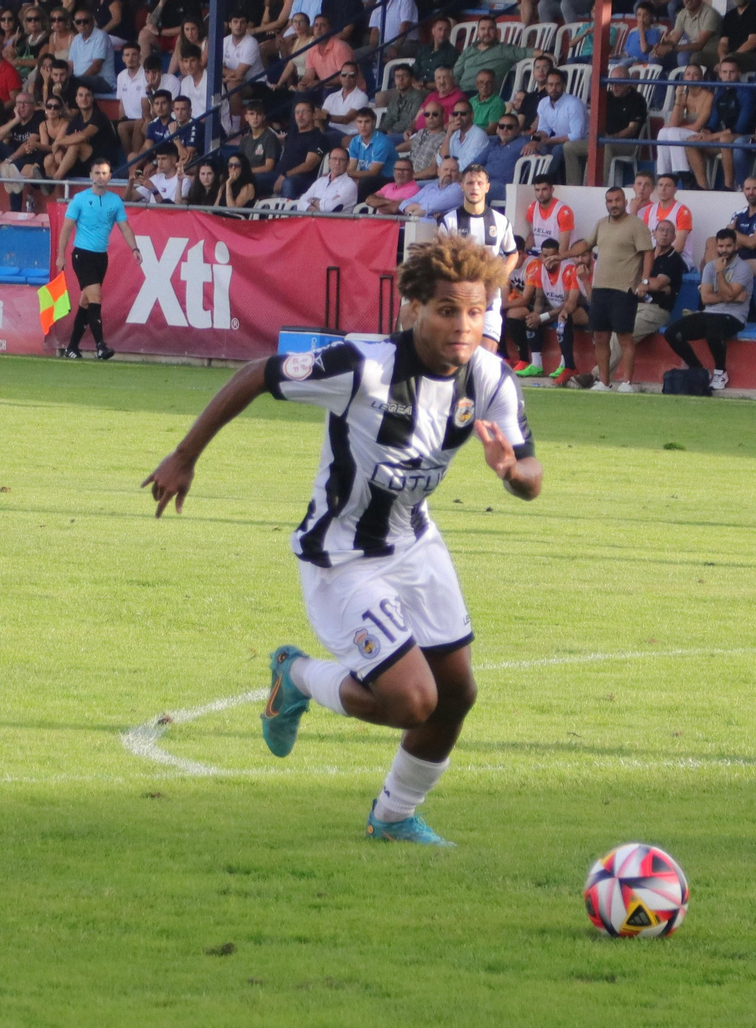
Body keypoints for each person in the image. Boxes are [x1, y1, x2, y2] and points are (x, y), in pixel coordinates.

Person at [141, 233, 541, 849]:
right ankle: (296, 676)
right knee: (412, 701)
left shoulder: (489, 378)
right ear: (414, 308)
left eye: (476, 310)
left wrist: (513, 473)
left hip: (415, 544)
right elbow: (257, 373)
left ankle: (393, 818)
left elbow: (532, 477)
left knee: (457, 693)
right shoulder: (362, 365)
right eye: (447, 310)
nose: (464, 325)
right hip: (342, 556)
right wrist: (185, 455)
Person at [562, 186, 655, 392]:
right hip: (600, 288)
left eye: (617, 200)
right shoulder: (601, 224)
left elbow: (648, 253)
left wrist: (645, 282)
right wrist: (562, 255)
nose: (614, 204)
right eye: (610, 201)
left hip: (624, 289)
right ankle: (604, 382)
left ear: (624, 201)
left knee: (624, 337)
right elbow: (586, 244)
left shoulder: (636, 225)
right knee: (601, 337)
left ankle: (627, 383)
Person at [55, 158, 141, 361]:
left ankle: (72, 347)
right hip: (82, 254)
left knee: (86, 302)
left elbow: (125, 228)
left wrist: (134, 248)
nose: (100, 177)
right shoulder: (79, 199)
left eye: (104, 173)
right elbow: (66, 228)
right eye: (97, 173)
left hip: (100, 257)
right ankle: (100, 346)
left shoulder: (115, 201)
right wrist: (61, 255)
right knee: (96, 298)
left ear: (110, 176)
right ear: (90, 176)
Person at [437, 163, 520, 358]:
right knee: (460, 358)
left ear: (487, 187)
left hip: (490, 299)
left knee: (485, 357)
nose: (475, 187)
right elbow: (439, 260)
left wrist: (498, 278)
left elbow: (513, 253)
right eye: (470, 182)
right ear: (462, 186)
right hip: (459, 301)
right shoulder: (449, 221)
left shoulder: (500, 221)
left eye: (479, 183)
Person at [664, 228, 752, 392]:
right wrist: (730, 297)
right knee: (672, 333)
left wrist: (720, 273)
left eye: (728, 246)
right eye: (721, 246)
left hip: (734, 317)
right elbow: (706, 298)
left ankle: (720, 372)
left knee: (714, 327)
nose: (724, 250)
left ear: (735, 246)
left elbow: (730, 292)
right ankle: (698, 370)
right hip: (709, 312)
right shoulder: (710, 267)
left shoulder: (743, 268)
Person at [607, 219, 688, 372]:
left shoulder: (674, 259)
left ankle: (597, 376)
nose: (664, 234)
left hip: (656, 310)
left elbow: (657, 284)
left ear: (674, 237)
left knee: (623, 333)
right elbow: (625, 276)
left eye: (669, 231)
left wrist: (641, 282)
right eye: (661, 230)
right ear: (654, 233)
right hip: (634, 305)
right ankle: (602, 377)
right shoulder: (645, 255)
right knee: (609, 329)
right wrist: (644, 283)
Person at [516, 237, 588, 384]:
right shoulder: (540, 270)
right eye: (544, 256)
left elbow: (569, 304)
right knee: (531, 317)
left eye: (552, 256)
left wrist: (542, 317)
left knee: (565, 318)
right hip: (554, 309)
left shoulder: (568, 270)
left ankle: (564, 365)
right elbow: (539, 299)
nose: (548, 260)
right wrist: (536, 314)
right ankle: (536, 364)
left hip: (575, 309)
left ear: (558, 255)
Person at [656, 64, 714, 186]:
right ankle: (664, 175)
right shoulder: (684, 95)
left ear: (701, 78)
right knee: (663, 132)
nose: (691, 77)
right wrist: (678, 101)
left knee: (672, 132)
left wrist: (675, 128)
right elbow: (673, 123)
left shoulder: (708, 96)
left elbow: (697, 126)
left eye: (695, 74)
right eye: (688, 74)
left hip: (700, 133)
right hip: (684, 133)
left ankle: (684, 175)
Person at [526, 69, 588, 184]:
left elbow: (576, 135)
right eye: (550, 84)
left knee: (557, 149)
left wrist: (549, 140)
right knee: (529, 147)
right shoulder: (543, 103)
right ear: (546, 86)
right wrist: (534, 141)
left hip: (580, 142)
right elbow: (544, 129)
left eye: (557, 84)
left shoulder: (573, 104)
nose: (554, 88)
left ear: (564, 86)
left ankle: (545, 181)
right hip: (558, 141)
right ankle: (528, 183)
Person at [452, 15, 533, 92]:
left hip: (484, 94)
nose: (486, 32)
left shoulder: (504, 49)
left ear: (496, 31)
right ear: (478, 32)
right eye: (483, 29)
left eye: (490, 28)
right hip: (462, 93)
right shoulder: (469, 50)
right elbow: (455, 74)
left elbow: (527, 52)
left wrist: (544, 53)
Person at [602, 65, 649, 185]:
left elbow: (632, 129)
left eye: (619, 84)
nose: (614, 87)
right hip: (604, 139)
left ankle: (598, 187)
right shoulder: (606, 97)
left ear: (628, 83)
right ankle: (575, 186)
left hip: (628, 143)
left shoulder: (637, 99)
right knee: (569, 148)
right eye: (612, 83)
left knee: (604, 146)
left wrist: (612, 138)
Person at [273, 99, 329, 198]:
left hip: (302, 179)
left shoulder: (319, 137)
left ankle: (287, 214)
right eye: (297, 112)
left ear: (313, 115)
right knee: (252, 179)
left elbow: (309, 165)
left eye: (304, 112)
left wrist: (285, 175)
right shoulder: (292, 134)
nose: (300, 115)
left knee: (288, 183)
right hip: (279, 175)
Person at [725, 176, 756, 287]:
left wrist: (733, 232)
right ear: (743, 191)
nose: (751, 192)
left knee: (734, 268)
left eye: (755, 188)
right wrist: (743, 239)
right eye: (747, 189)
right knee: (711, 245)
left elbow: (753, 243)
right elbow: (732, 245)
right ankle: (705, 300)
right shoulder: (738, 214)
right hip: (738, 256)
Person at [641, 173, 695, 269]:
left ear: (675, 189)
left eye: (668, 186)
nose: (663, 189)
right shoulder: (650, 210)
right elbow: (644, 238)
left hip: (678, 258)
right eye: (660, 185)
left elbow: (678, 247)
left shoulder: (682, 211)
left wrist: (655, 257)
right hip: (653, 256)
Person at [348, 107, 398, 200]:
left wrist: (347, 173)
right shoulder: (355, 141)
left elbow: (373, 172)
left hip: (389, 179)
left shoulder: (382, 141)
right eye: (359, 122)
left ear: (374, 123)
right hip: (368, 177)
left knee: (364, 181)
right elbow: (351, 167)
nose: (363, 125)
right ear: (356, 123)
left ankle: (359, 212)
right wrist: (347, 175)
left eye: (367, 122)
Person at [655, 0, 721, 71]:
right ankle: (657, 81)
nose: (688, 0)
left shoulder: (710, 14)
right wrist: (662, 46)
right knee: (654, 56)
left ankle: (685, 81)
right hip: (693, 49)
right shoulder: (682, 13)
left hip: (710, 52)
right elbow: (674, 40)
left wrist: (671, 48)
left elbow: (699, 45)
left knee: (683, 56)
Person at [522, 176, 575, 259]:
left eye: (544, 189)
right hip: (538, 253)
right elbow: (532, 235)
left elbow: (564, 247)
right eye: (537, 190)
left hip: (558, 257)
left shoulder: (563, 211)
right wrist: (525, 253)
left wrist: (549, 259)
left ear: (552, 190)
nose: (540, 193)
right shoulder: (532, 208)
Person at [294, 144, 358, 211]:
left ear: (347, 164)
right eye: (334, 159)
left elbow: (331, 208)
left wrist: (313, 200)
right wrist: (315, 210)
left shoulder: (350, 185)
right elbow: (301, 202)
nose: (337, 163)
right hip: (311, 220)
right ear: (329, 161)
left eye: (341, 160)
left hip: (334, 221)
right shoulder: (320, 181)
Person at [67, 5, 114, 94]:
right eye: (78, 22)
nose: (82, 24)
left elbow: (96, 66)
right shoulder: (76, 39)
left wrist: (77, 81)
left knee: (71, 85)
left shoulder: (101, 35)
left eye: (85, 21)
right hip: (80, 79)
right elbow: (70, 65)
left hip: (103, 80)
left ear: (92, 21)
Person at [399, 155, 464, 218]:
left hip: (434, 228)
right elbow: (403, 204)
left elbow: (430, 207)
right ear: (438, 171)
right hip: (414, 226)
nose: (448, 173)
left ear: (458, 174)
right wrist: (430, 212)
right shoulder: (429, 187)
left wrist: (412, 212)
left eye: (453, 171)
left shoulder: (458, 189)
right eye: (446, 169)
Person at [718, 0, 756, 74]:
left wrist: (729, 59)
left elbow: (752, 42)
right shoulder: (729, 15)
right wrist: (722, 56)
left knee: (728, 63)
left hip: (755, 56)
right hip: (732, 55)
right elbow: (723, 42)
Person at [377, 63, 426, 144]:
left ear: (411, 78)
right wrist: (375, 132)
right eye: (397, 76)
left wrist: (392, 130)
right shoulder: (394, 99)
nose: (401, 79)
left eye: (404, 76)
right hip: (391, 134)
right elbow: (388, 121)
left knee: (382, 141)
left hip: (407, 135)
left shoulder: (417, 97)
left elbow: (411, 121)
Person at [401, 99, 449, 180]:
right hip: (407, 174)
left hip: (422, 180)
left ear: (443, 116)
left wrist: (409, 178)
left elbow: (433, 170)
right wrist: (392, 149)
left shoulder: (444, 139)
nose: (430, 117)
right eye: (427, 114)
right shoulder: (421, 132)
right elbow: (411, 144)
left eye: (435, 114)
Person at [238, 99, 281, 190]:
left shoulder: (270, 137)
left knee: (245, 181)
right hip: (248, 175)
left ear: (264, 117)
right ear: (246, 117)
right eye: (252, 114)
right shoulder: (244, 140)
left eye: (259, 114)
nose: (255, 117)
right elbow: (240, 162)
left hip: (265, 177)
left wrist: (247, 172)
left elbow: (269, 167)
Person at [411, 17, 459, 93]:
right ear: (433, 31)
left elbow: (448, 80)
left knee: (415, 97)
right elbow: (414, 69)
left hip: (433, 90)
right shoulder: (423, 49)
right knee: (385, 96)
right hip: (415, 86)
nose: (442, 33)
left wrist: (424, 84)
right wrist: (414, 83)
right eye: (440, 29)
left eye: (446, 30)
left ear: (449, 33)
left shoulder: (452, 52)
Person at [322, 63, 369, 138]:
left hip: (348, 135)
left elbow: (347, 119)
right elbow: (321, 116)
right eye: (344, 74)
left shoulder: (361, 97)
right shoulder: (331, 97)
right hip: (330, 131)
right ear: (340, 77)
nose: (347, 77)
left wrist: (325, 117)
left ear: (357, 77)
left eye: (352, 75)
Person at [444, 99, 490, 169]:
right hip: (448, 174)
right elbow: (440, 159)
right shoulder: (454, 133)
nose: (458, 117)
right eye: (456, 114)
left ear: (472, 115)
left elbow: (468, 164)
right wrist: (448, 135)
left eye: (463, 114)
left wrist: (446, 166)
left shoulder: (479, 135)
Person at [469, 68, 505, 133]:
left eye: (489, 83)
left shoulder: (497, 103)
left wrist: (471, 135)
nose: (484, 86)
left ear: (494, 84)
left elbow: (491, 129)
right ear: (476, 84)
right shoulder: (471, 101)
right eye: (481, 82)